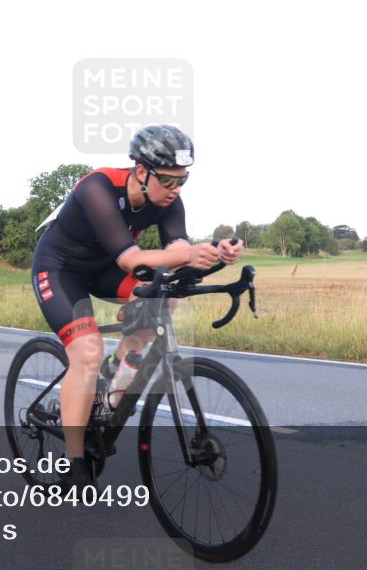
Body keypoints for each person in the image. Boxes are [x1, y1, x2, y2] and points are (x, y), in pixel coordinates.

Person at [30, 125, 244, 489]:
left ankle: (109, 384)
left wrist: (214, 252)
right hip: (60, 269)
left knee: (164, 300)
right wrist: (186, 255)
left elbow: (178, 251)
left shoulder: (169, 201)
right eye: (168, 180)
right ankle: (74, 459)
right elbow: (131, 259)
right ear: (141, 171)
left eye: (183, 181)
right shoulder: (98, 188)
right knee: (87, 352)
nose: (175, 189)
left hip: (104, 269)